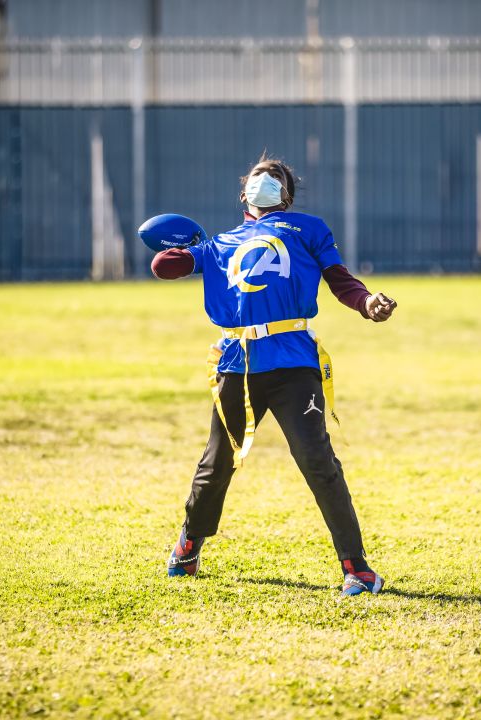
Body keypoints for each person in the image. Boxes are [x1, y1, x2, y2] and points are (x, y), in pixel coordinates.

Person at [150, 155, 398, 597]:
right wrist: (190, 244)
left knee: (318, 461)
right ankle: (188, 544)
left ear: (286, 193)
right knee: (216, 463)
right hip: (237, 364)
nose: (266, 178)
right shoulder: (223, 241)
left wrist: (366, 304)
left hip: (294, 364)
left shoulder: (308, 229)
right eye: (257, 175)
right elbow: (164, 267)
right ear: (243, 192)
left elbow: (340, 280)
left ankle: (356, 569)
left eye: (276, 175)